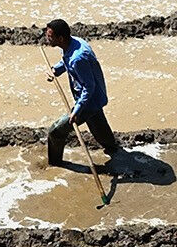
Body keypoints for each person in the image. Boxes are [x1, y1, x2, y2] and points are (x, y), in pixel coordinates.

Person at [41, 19, 123, 172]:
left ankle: (55, 163)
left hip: (88, 101)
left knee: (56, 132)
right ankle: (115, 152)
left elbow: (88, 87)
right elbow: (66, 61)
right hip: (95, 98)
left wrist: (76, 110)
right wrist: (56, 70)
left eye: (50, 36)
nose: (47, 38)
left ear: (61, 38)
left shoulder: (78, 58)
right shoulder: (73, 43)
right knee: (100, 130)